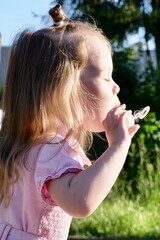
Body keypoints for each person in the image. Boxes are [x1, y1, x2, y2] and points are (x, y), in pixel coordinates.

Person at [0, 4, 140, 239]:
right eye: (106, 77)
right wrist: (118, 146)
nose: (116, 86)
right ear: (64, 87)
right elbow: (79, 202)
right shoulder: (51, 148)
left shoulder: (21, 141)